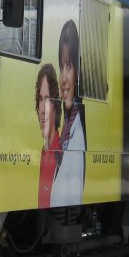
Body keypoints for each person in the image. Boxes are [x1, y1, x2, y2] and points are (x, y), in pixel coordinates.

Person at [52, 20, 85, 206]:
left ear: (78, 74)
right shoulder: (68, 132)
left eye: (69, 66)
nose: (63, 79)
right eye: (61, 67)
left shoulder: (76, 138)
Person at [36, 64, 61, 209]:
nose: (42, 110)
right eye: (40, 99)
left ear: (56, 106)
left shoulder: (60, 156)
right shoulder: (44, 153)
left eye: (48, 99)